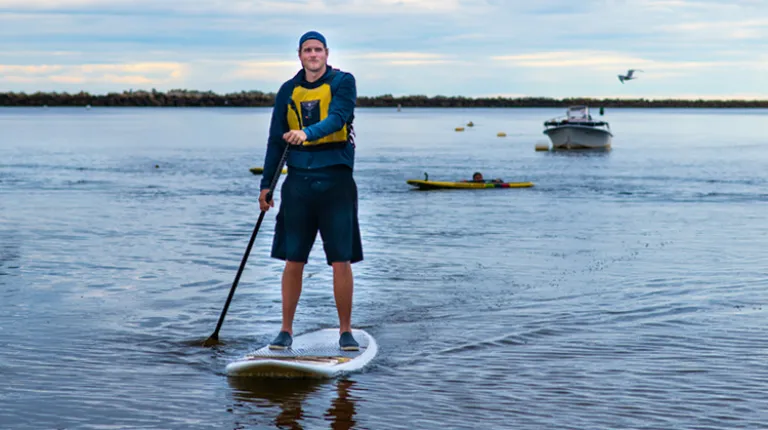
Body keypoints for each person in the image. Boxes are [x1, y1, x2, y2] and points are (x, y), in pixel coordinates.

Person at [258, 31, 363, 351]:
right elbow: (276, 139)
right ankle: (285, 331)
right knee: (294, 259)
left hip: (336, 181)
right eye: (308, 50)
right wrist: (266, 184)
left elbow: (337, 119)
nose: (313, 55)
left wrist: (306, 133)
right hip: (298, 184)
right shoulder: (288, 90)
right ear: (299, 55)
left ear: (327, 53)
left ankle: (346, 331)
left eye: (318, 50)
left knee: (340, 260)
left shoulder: (343, 82)